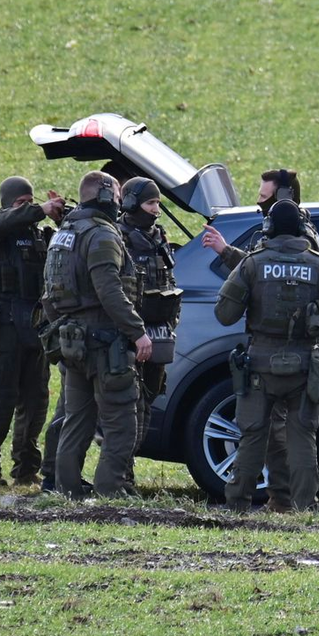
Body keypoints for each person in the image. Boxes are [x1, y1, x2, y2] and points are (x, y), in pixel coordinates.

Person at [213, 199, 319, 512]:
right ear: (303, 228)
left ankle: (237, 502)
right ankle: (304, 506)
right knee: (303, 436)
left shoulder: (252, 263)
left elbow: (224, 314)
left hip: (260, 364)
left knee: (252, 434)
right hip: (306, 366)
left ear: (269, 228)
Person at [203, 168, 319, 512]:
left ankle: (253, 501)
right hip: (301, 356)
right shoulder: (314, 254)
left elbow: (237, 296)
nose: (259, 206)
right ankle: (289, 501)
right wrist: (227, 253)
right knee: (288, 433)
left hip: (269, 352)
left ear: (283, 199)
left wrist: (231, 258)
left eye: (264, 200)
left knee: (259, 430)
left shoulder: (300, 241)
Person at [43, 171, 152, 497]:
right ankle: (109, 493)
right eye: (118, 197)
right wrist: (137, 332)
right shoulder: (102, 235)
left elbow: (49, 292)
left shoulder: (65, 232)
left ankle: (68, 492)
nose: (120, 204)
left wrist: (64, 328)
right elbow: (109, 289)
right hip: (104, 341)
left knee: (76, 421)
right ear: (105, 197)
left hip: (72, 341)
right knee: (122, 423)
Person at [0, 176, 66, 487]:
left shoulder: (41, 237)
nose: (29, 208)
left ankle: (25, 468)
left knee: (35, 402)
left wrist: (62, 220)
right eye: (21, 203)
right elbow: (1, 222)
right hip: (4, 327)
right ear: (7, 204)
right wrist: (38, 209)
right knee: (0, 400)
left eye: (31, 201)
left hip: (35, 326)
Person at [117, 178, 182, 460]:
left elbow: (171, 280)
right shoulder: (118, 237)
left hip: (159, 333)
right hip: (130, 334)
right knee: (126, 407)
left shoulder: (160, 236)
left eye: (157, 203)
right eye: (150, 203)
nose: (156, 209)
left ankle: (127, 468)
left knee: (148, 401)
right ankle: (120, 472)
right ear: (131, 203)